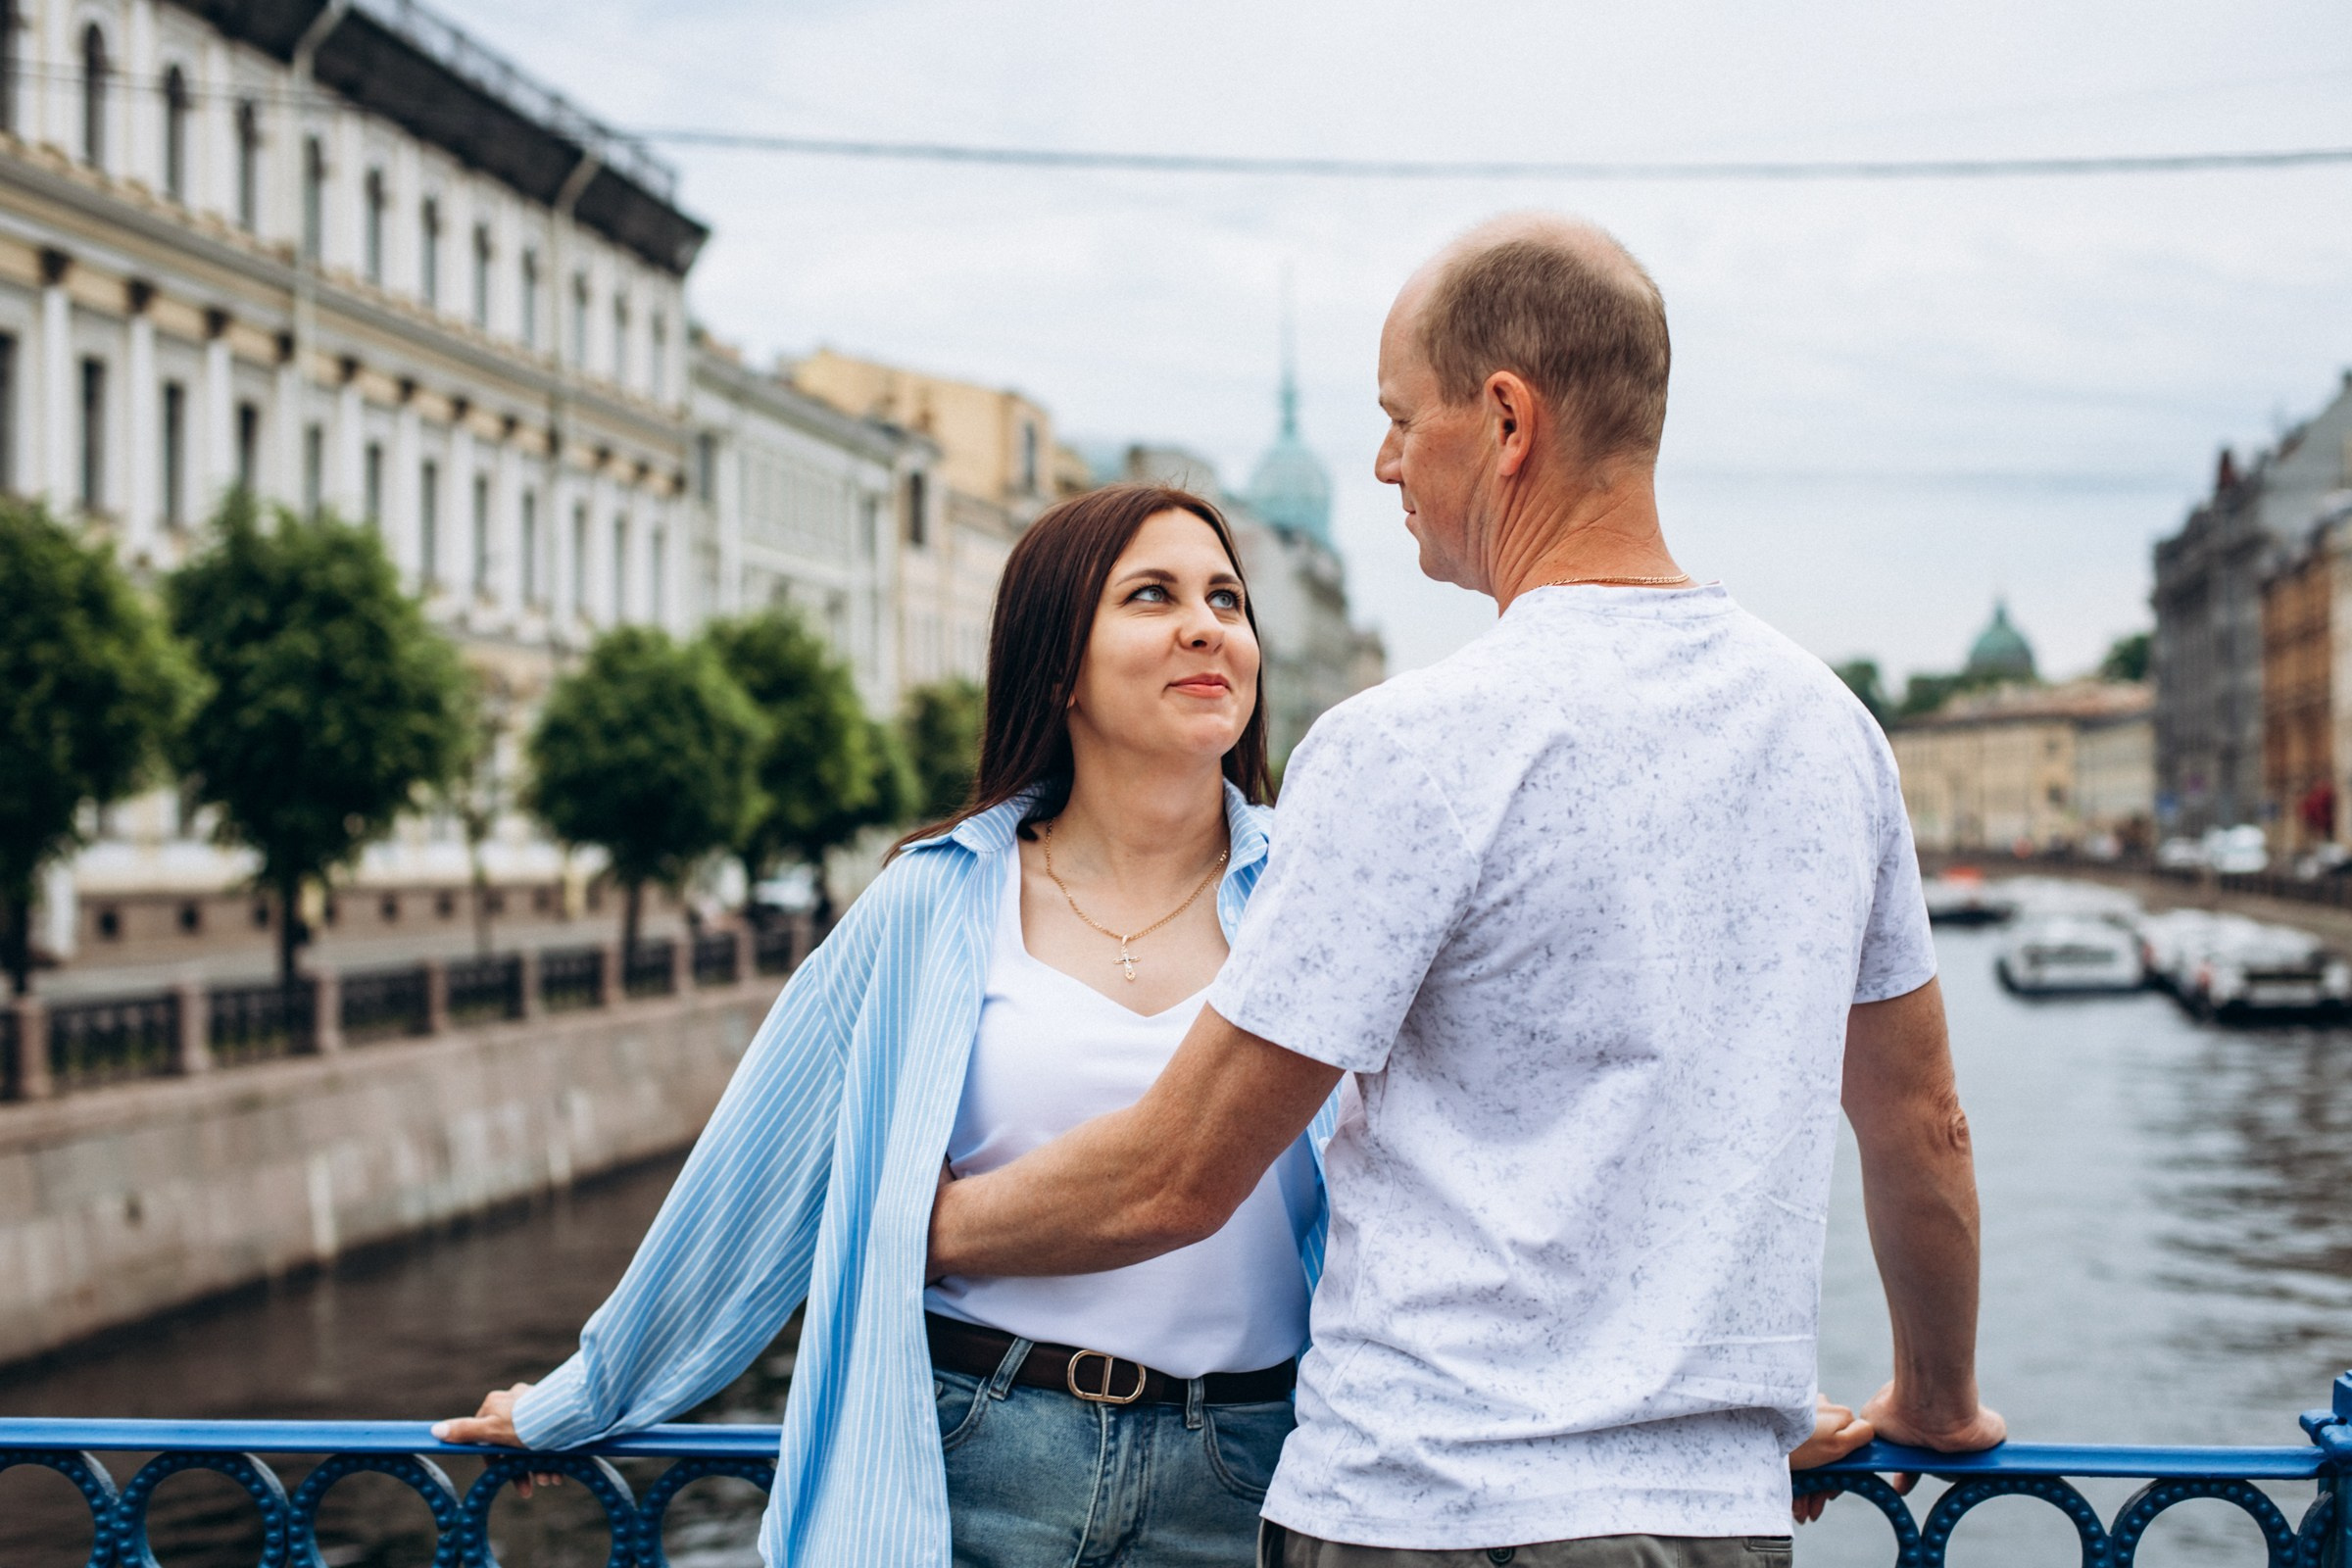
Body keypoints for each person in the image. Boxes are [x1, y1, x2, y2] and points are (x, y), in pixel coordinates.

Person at [927, 215, 2007, 1568]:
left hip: (1427, 1513)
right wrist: (1941, 1400)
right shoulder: (1828, 730)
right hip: (1709, 1525)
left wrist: (910, 1226)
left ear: (1505, 421)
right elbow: (1923, 1124)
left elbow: (1184, 1172)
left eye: (1399, 418)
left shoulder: (1411, 747)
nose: (1384, 462)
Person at [435, 483, 1339, 1566]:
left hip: (1250, 1471)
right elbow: (755, 1177)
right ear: (1059, 666)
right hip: (973, 1449)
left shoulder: (1318, 900)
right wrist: (586, 1396)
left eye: (1227, 599)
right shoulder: (932, 903)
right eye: (1152, 595)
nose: (1207, 625)